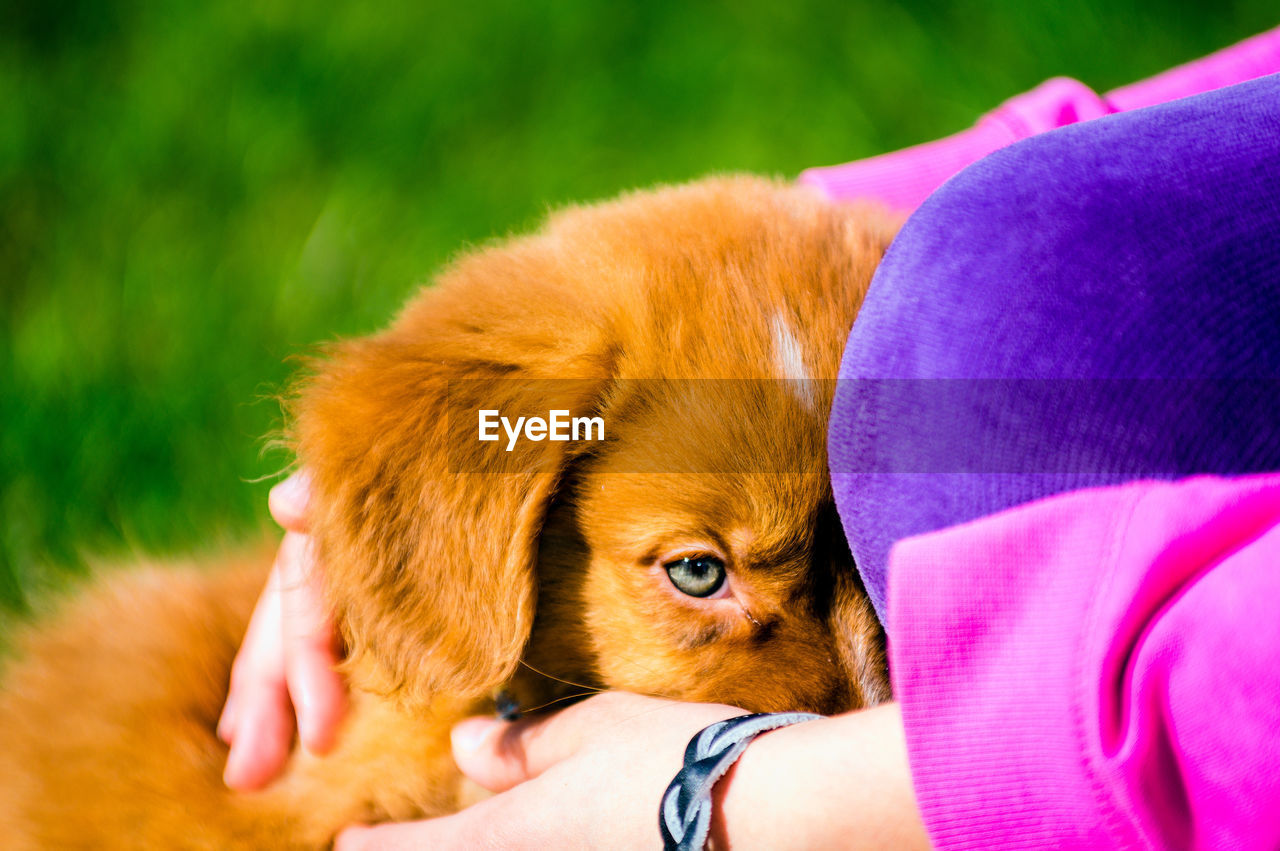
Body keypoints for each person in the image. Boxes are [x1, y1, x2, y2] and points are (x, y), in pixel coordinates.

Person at [218, 33, 1280, 850]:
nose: (852, 692)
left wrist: (759, 791)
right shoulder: (553, 410)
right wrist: (429, 472)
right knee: (979, 325)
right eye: (696, 571)